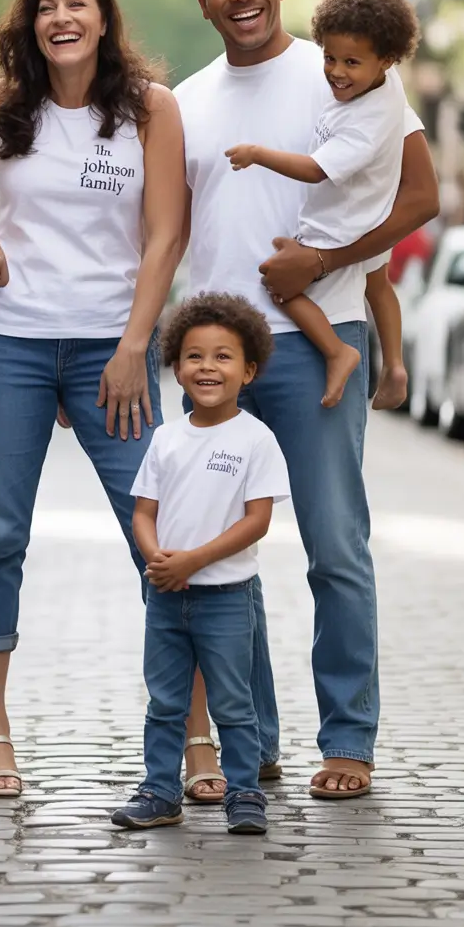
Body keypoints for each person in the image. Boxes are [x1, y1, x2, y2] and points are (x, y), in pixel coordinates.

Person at [0, 0, 186, 796]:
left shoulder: (149, 108)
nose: (61, 17)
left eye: (78, 4)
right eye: (46, 7)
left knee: (165, 544)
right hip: (11, 347)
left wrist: (137, 343)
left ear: (104, 19)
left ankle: (195, 733)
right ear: (31, 24)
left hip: (115, 349)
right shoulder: (0, 103)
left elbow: (166, 234)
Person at [175, 0, 439, 799]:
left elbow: (422, 198)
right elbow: (167, 235)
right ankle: (254, 740)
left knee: (334, 548)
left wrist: (325, 265)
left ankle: (349, 741)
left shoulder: (347, 70)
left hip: (326, 336)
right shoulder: (185, 102)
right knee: (221, 556)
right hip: (221, 360)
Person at [111, 294, 289, 835]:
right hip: (167, 598)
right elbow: (144, 512)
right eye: (194, 356)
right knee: (164, 702)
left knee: (234, 704)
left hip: (226, 599)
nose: (207, 367)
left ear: (249, 370)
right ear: (176, 365)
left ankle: (245, 795)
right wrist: (157, 558)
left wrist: (194, 559)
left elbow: (257, 522)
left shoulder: (256, 439)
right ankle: (160, 790)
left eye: (223, 357)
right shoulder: (166, 439)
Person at [225, 0, 421, 410]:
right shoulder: (386, 81)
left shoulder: (363, 126)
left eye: (351, 62)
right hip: (372, 207)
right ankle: (395, 364)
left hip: (339, 222)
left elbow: (315, 171)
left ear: (385, 59)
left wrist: (258, 153)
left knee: (280, 286)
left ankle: (337, 352)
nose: (336, 72)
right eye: (329, 58)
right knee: (379, 284)